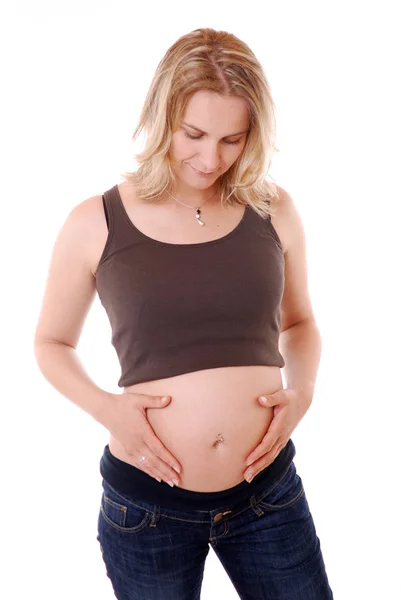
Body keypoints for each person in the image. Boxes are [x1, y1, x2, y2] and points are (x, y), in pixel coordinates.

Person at [34, 27, 334, 600]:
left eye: (232, 139)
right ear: (162, 113)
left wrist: (304, 393)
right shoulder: (93, 222)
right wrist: (108, 410)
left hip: (267, 496)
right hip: (147, 510)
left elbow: (300, 324)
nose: (210, 158)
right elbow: (51, 343)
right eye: (193, 134)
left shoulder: (272, 209)